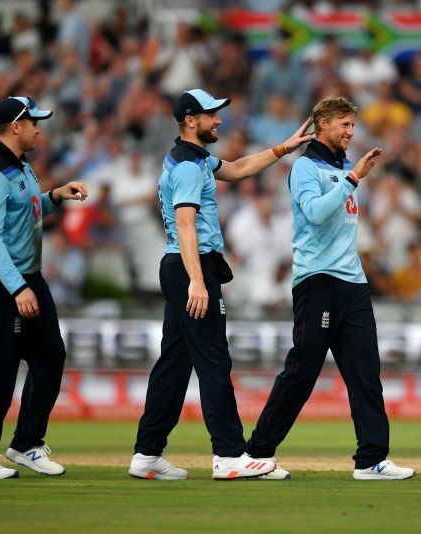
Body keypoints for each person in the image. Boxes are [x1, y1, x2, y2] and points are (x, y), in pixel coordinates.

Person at [128, 89, 313, 481]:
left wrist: (284, 148)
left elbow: (239, 169)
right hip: (191, 268)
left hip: (184, 268)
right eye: (212, 114)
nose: (219, 120)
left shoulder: (191, 158)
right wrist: (198, 280)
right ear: (191, 120)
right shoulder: (188, 168)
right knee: (213, 358)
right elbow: (185, 223)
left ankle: (147, 453)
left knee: (174, 366)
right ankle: (229, 455)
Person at [244, 96, 415, 481]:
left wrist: (351, 176)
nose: (350, 132)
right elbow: (317, 215)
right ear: (321, 124)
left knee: (365, 372)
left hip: (352, 283)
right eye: (344, 124)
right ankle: (256, 454)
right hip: (317, 281)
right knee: (302, 372)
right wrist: (353, 179)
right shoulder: (305, 167)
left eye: (353, 125)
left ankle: (371, 459)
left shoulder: (341, 167)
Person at [0, 96, 89, 480]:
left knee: (50, 356)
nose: (39, 128)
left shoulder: (20, 166)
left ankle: (25, 445)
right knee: (0, 368)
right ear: (15, 127)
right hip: (2, 281)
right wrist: (19, 289)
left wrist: (54, 196)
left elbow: (26, 212)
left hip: (27, 278)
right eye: (34, 122)